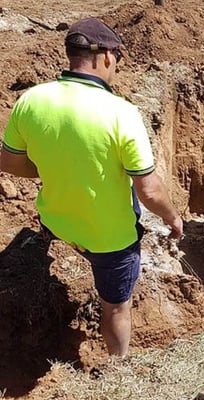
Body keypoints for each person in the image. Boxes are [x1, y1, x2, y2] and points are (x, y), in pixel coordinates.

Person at [0, 17, 183, 357]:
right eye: (118, 59)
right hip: (109, 239)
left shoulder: (31, 100)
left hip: (57, 221)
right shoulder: (122, 114)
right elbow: (150, 191)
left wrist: (55, 172)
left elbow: (9, 163)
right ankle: (119, 365)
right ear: (107, 57)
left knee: (68, 240)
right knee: (115, 307)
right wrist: (173, 219)